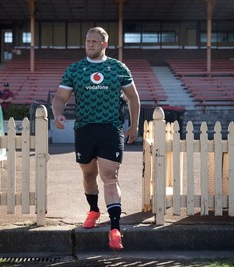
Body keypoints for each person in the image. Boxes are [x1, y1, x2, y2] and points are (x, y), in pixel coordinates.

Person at [51, 27, 140, 251]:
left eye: (94, 41)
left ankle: (115, 229)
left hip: (111, 128)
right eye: (87, 41)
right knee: (89, 175)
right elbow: (60, 98)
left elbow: (133, 97)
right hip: (84, 129)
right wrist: (57, 113)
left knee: (110, 176)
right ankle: (93, 210)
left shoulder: (118, 68)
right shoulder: (75, 69)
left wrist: (134, 125)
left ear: (104, 44)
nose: (89, 44)